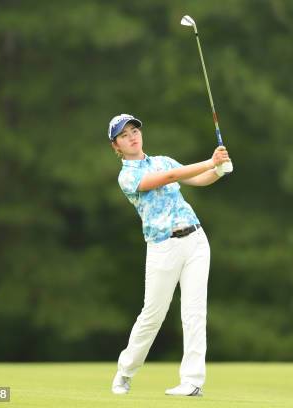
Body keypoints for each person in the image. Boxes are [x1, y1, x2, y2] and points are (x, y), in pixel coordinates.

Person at [108, 113, 231, 397]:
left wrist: (219, 169)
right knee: (153, 315)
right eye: (124, 135)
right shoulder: (127, 176)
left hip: (196, 241)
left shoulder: (163, 159)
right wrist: (211, 161)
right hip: (163, 247)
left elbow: (198, 179)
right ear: (116, 146)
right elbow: (173, 176)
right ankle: (125, 371)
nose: (132, 137)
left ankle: (192, 381)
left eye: (134, 130)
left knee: (194, 313)